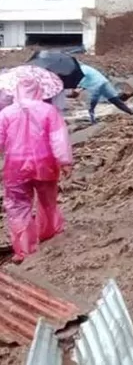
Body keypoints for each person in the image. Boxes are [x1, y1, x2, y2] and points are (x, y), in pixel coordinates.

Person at [0, 77, 72, 263]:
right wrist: (64, 162)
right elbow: (59, 139)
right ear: (39, 91)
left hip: (15, 166)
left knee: (18, 206)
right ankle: (49, 233)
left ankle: (24, 249)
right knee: (48, 201)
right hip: (45, 163)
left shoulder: (6, 113)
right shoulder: (49, 111)